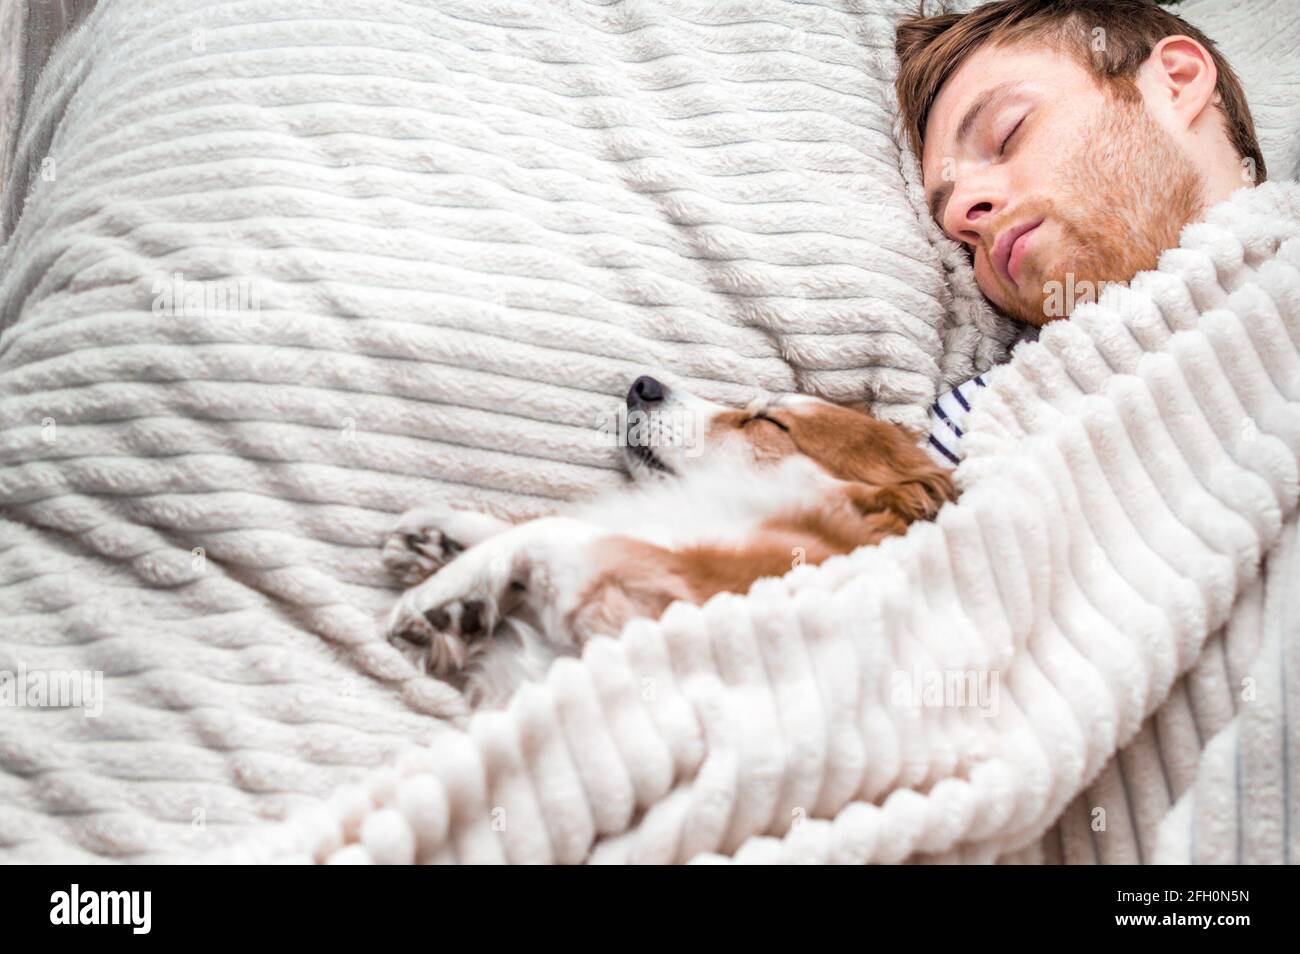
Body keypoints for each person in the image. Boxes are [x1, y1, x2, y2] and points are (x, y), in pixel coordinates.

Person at [896, 0, 1267, 464]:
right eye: (958, 237)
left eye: (1008, 133)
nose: (963, 213)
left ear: (1177, 80)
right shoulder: (967, 438)